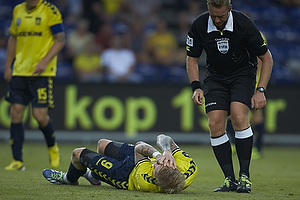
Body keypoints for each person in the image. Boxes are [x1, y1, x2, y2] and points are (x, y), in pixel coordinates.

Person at [185, 0, 273, 193]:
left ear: (229, 9)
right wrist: (196, 87)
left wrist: (261, 90)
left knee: (239, 116)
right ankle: (229, 179)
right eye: (213, 16)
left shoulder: (243, 23)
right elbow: (192, 58)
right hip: (216, 78)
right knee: (215, 123)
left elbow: (266, 58)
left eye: (221, 16)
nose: (217, 20)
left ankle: (245, 177)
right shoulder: (200, 25)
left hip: (243, 75)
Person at [4, 0, 65, 170]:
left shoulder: (50, 11)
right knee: (16, 112)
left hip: (41, 73)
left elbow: (60, 40)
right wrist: (8, 66)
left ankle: (52, 147)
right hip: (19, 71)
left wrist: (45, 61)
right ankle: (18, 160)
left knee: (40, 116)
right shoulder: (18, 10)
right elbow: (13, 39)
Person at [42, 134, 198, 194]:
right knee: (102, 144)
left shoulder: (146, 180)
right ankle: (95, 177)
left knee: (78, 154)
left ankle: (69, 179)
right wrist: (166, 152)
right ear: (173, 166)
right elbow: (164, 137)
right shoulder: (189, 168)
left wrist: (155, 155)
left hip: (126, 175)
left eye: (156, 167)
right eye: (165, 163)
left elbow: (139, 148)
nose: (156, 164)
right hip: (140, 160)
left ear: (155, 177)